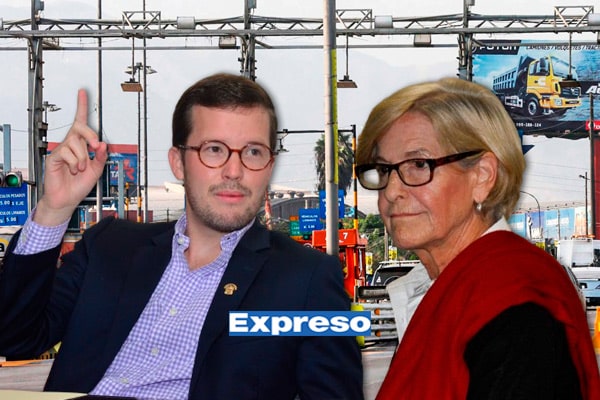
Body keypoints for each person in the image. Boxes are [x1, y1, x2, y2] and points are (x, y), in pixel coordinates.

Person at [0, 73, 363, 400]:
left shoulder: (309, 278)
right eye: (214, 150)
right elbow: (14, 337)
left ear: (269, 166)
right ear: (178, 162)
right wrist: (54, 209)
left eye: (253, 152)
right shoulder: (109, 246)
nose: (234, 171)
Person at [355, 77, 600, 399]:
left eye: (418, 164)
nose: (391, 191)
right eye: (383, 170)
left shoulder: (513, 303)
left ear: (483, 176)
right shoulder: (455, 287)